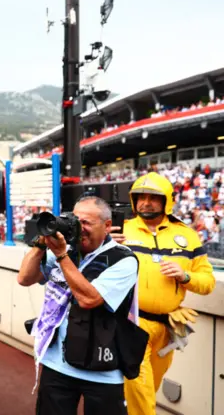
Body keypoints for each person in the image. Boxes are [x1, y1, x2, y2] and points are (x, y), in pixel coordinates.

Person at [17, 196, 139, 415]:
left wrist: (62, 256)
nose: (78, 228)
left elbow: (89, 299)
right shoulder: (66, 251)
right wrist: (40, 243)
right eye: (75, 220)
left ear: (108, 226)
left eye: (86, 223)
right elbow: (25, 278)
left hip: (103, 369)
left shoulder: (124, 260)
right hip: (57, 363)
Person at [111, 172, 215, 415]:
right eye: (140, 197)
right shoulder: (119, 231)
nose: (145, 202)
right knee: (142, 396)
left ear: (167, 201)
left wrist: (185, 276)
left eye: (153, 197)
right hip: (131, 325)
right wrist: (105, 247)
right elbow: (93, 268)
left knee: (149, 390)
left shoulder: (188, 236)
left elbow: (208, 282)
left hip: (167, 329)